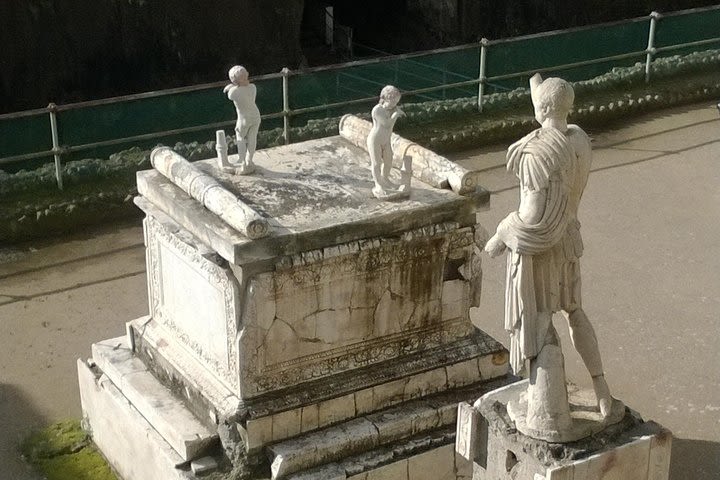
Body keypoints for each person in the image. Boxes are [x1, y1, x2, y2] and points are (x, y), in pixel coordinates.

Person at [484, 74, 613, 435]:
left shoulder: (536, 151)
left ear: (539, 108)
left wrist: (500, 234)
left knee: (539, 324)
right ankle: (601, 389)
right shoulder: (580, 141)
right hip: (568, 241)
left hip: (540, 252)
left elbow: (531, 217)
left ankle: (547, 411)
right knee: (575, 313)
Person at [367, 85, 404, 198]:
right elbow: (387, 124)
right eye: (393, 102)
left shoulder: (391, 109)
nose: (395, 105)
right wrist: (396, 115)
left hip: (386, 140)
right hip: (375, 140)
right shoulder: (378, 110)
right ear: (386, 98)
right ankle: (378, 184)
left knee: (388, 160)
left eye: (396, 102)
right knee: (377, 163)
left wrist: (394, 111)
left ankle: (385, 178)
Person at [223, 65, 261, 173]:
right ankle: (249, 160)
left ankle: (243, 161)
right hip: (255, 116)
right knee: (252, 138)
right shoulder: (253, 87)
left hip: (244, 119)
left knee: (240, 138)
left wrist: (230, 86)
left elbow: (230, 94)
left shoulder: (233, 92)